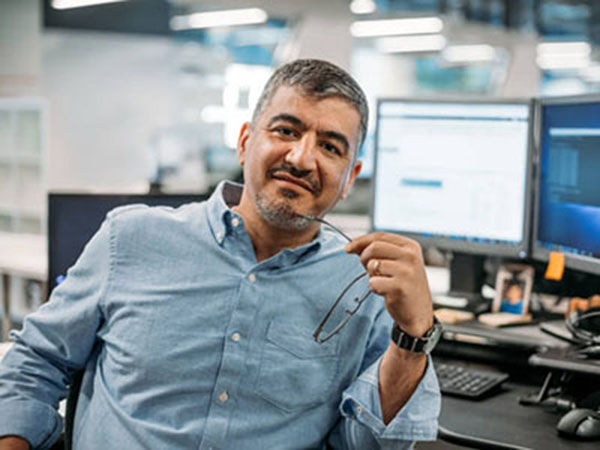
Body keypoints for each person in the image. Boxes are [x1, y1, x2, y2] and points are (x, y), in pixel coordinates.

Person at [0, 59, 440, 450]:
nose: (303, 158)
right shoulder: (130, 238)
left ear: (350, 177)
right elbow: (35, 364)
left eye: (330, 146)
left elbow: (364, 445)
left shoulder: (365, 287)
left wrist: (413, 335)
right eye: (286, 130)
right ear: (246, 142)